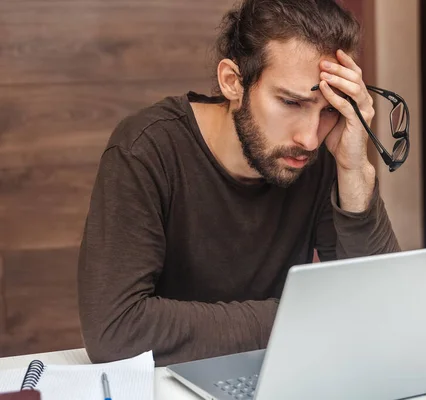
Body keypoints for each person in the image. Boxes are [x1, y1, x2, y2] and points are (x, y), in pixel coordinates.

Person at [77, 0, 401, 367]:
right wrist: (304, 318)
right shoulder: (146, 149)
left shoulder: (319, 153)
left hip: (280, 373)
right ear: (232, 81)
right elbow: (115, 330)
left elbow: (383, 311)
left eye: (328, 109)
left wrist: (355, 169)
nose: (310, 138)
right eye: (291, 103)